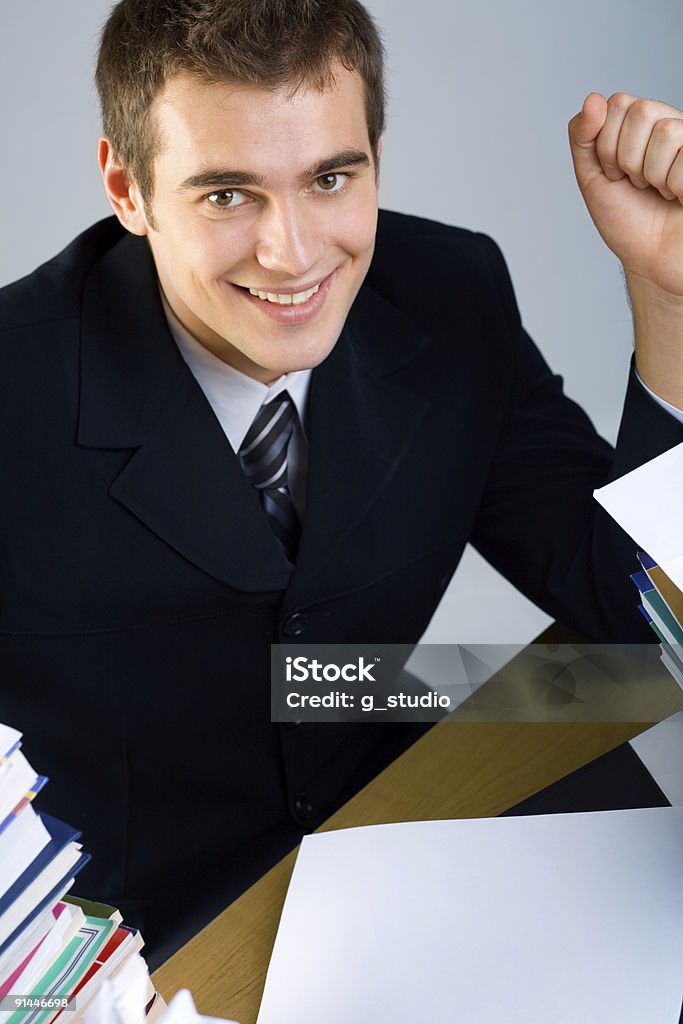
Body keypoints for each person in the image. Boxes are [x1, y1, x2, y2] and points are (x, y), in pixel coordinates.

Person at [1, 0, 682, 965]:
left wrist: (665, 294)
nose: (293, 254)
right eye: (226, 193)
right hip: (140, 951)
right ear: (127, 186)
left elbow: (636, 627)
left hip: (406, 853)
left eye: (329, 178)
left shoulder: (449, 291)